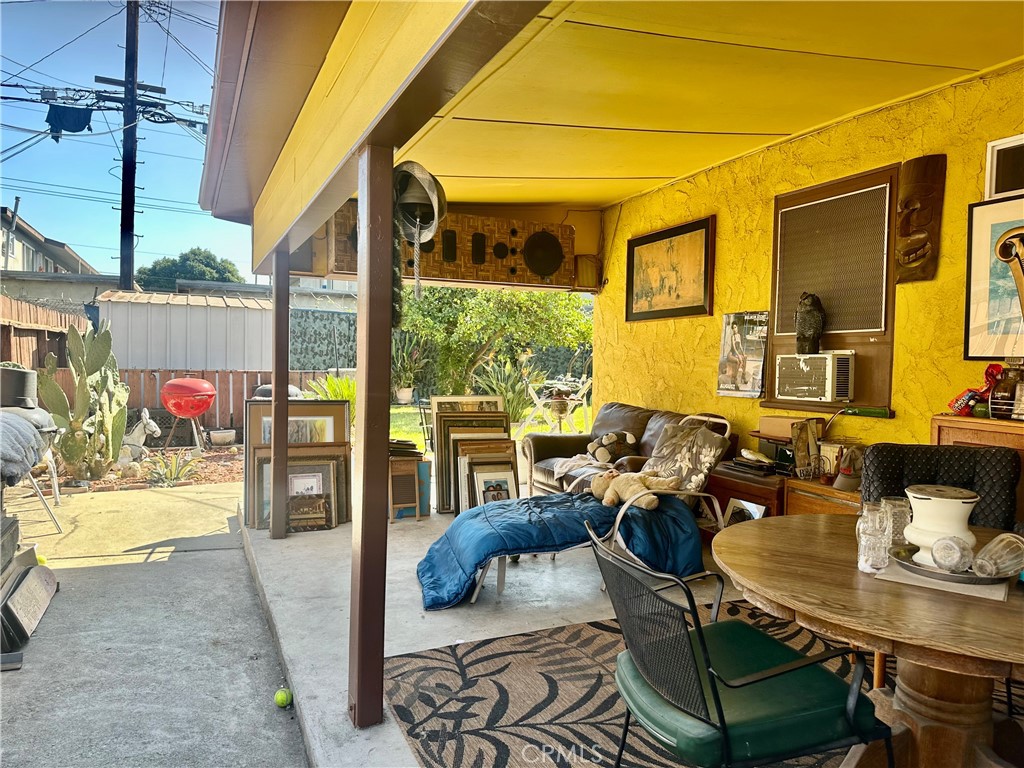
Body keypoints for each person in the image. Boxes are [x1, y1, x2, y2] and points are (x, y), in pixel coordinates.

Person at [727, 321, 748, 388]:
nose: (734, 329)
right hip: (731, 354)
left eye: (735, 327)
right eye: (733, 328)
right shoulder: (732, 337)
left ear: (737, 327)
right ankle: (734, 379)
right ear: (732, 329)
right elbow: (734, 348)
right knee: (737, 361)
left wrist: (743, 354)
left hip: (736, 354)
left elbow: (740, 346)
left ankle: (743, 376)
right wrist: (739, 356)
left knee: (745, 358)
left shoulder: (739, 335)